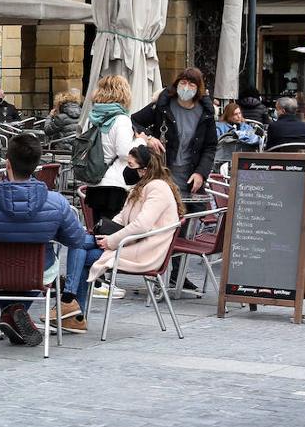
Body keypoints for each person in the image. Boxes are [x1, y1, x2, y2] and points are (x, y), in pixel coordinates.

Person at [0, 134, 87, 347]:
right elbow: (77, 239)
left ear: (7, 164)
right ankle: (16, 310)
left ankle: (11, 311)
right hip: (40, 272)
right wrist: (53, 231)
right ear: (36, 166)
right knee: (44, 261)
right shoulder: (57, 202)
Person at [63, 145, 184, 332]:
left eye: (130, 165)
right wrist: (106, 230)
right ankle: (71, 310)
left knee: (80, 248)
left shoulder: (157, 188)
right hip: (132, 243)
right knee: (78, 244)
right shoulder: (142, 186)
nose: (127, 169)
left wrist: (111, 241)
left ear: (144, 169)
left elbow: (141, 225)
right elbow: (123, 217)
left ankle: (70, 307)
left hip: (145, 250)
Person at [132, 67, 217, 197]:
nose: (186, 87)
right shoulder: (162, 105)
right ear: (176, 84)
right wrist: (148, 138)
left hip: (190, 175)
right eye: (183, 83)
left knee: (188, 213)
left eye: (191, 84)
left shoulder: (205, 113)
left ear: (198, 88)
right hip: (160, 171)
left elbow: (210, 146)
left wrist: (201, 173)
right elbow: (134, 121)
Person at [83, 75, 141, 225]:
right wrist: (141, 141)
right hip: (114, 184)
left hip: (95, 181)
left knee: (99, 229)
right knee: (111, 232)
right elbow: (124, 153)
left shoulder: (92, 117)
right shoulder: (121, 120)